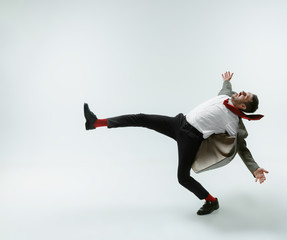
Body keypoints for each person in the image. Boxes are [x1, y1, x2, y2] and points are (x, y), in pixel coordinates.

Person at [83, 71, 269, 215]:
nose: (242, 92)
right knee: (141, 118)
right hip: (179, 122)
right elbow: (226, 89)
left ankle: (211, 201)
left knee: (182, 177)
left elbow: (242, 147)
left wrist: (254, 168)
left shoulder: (232, 122)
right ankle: (96, 123)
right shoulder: (226, 97)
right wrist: (227, 81)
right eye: (244, 91)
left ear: (243, 107)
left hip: (191, 138)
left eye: (245, 95)